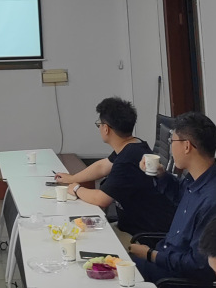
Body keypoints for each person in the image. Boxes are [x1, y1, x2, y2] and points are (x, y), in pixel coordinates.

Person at [127, 112, 216, 288]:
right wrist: (161, 175)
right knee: (117, 263)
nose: (170, 147)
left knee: (123, 271)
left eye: (172, 141)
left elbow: (198, 265)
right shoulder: (198, 178)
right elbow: (180, 194)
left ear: (186, 146)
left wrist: (151, 255)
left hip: (182, 281)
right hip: (169, 260)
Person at [55, 97, 176, 235]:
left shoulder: (127, 159)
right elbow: (102, 166)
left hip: (142, 233)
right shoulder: (134, 145)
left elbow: (101, 199)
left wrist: (76, 189)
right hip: (135, 225)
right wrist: (72, 178)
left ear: (106, 129)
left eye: (99, 124)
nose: (99, 128)